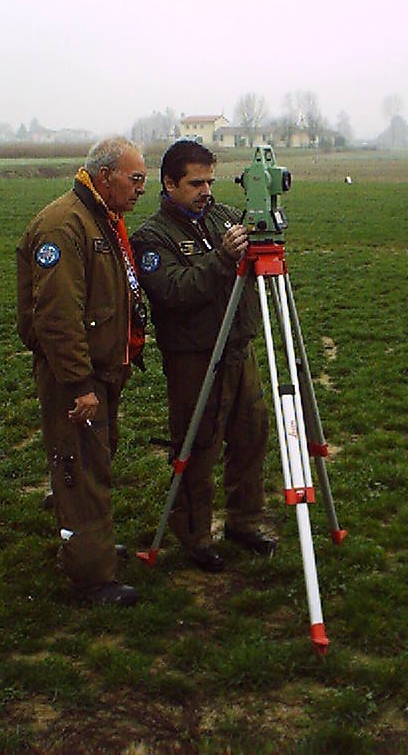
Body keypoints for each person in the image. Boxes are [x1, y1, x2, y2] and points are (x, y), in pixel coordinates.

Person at [131, 139, 276, 572]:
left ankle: (244, 522)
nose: (206, 191)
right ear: (170, 183)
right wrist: (222, 258)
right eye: (196, 183)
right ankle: (195, 536)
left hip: (238, 346)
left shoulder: (226, 218)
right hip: (194, 357)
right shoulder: (152, 239)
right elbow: (175, 291)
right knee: (199, 445)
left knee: (252, 434)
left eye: (211, 181)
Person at [16, 136, 147, 605]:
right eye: (135, 179)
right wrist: (79, 384)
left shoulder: (102, 220)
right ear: (106, 175)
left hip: (99, 371)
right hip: (77, 378)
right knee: (80, 467)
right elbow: (56, 317)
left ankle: (89, 547)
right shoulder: (64, 226)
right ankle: (91, 577)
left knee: (96, 459)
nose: (141, 190)